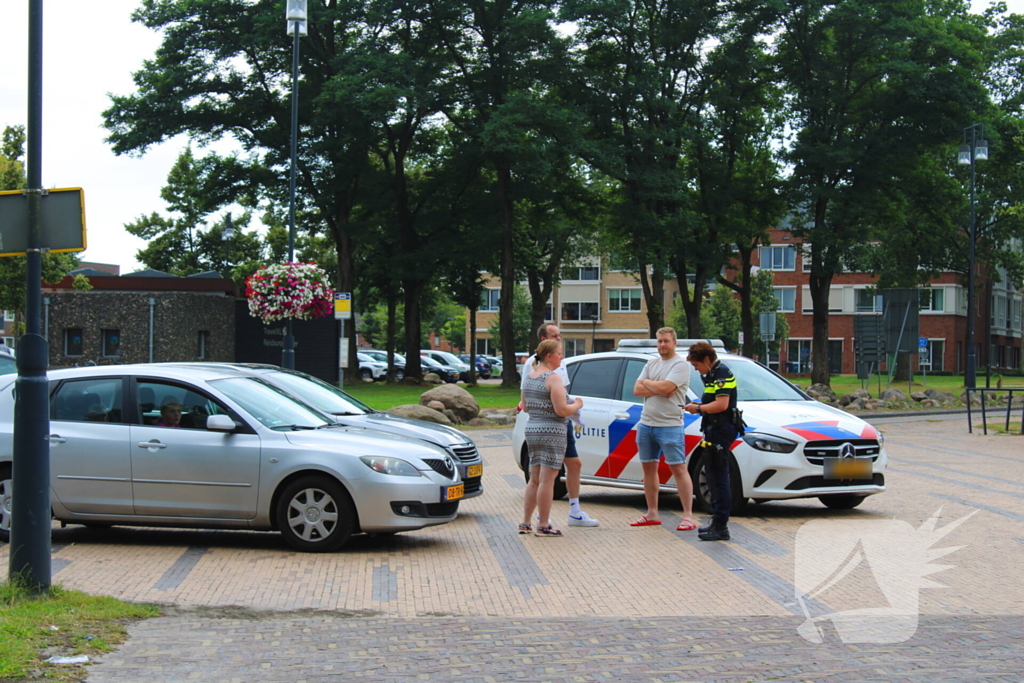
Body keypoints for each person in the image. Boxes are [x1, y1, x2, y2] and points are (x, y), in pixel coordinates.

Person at [519, 323, 600, 527]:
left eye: (559, 337)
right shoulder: (546, 372)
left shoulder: (535, 373)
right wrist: (577, 405)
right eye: (554, 337)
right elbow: (561, 408)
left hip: (535, 428)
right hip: (553, 428)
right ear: (547, 350)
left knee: (536, 477)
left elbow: (525, 404)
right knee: (547, 479)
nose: (558, 341)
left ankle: (526, 521)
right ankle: (543, 523)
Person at [630, 327, 695, 530]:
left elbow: (667, 389)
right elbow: (636, 389)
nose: (662, 345)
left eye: (666, 341)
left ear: (675, 343)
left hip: (670, 425)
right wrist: (656, 386)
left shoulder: (681, 365)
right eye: (659, 341)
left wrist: (650, 384)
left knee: (678, 468)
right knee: (648, 468)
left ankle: (688, 516)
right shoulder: (651, 363)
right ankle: (651, 513)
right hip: (646, 423)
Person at [683, 341, 738, 541]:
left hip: (721, 430)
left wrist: (698, 409)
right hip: (714, 429)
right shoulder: (713, 374)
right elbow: (712, 401)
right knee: (713, 477)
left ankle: (721, 526)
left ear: (706, 360)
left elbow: (722, 404)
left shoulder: (722, 374)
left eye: (697, 365)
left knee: (719, 478)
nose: (696, 369)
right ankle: (716, 521)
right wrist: (699, 404)